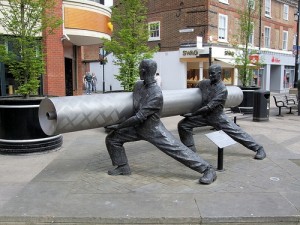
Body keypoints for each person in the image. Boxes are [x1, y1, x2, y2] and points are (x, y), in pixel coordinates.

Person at [105, 59, 217, 185]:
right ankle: (123, 167)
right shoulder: (138, 86)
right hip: (137, 128)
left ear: (143, 71)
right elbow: (133, 108)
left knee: (177, 150)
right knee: (112, 139)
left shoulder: (156, 94)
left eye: (140, 68)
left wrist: (119, 126)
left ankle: (208, 170)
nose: (138, 70)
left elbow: (139, 116)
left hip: (153, 130)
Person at [177, 64, 266, 160]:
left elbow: (209, 107)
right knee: (183, 125)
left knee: (237, 133)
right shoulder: (204, 83)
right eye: (209, 74)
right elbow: (195, 92)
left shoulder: (222, 89)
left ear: (219, 74)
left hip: (217, 117)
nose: (210, 76)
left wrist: (192, 114)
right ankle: (191, 151)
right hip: (203, 116)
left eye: (213, 74)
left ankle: (259, 148)